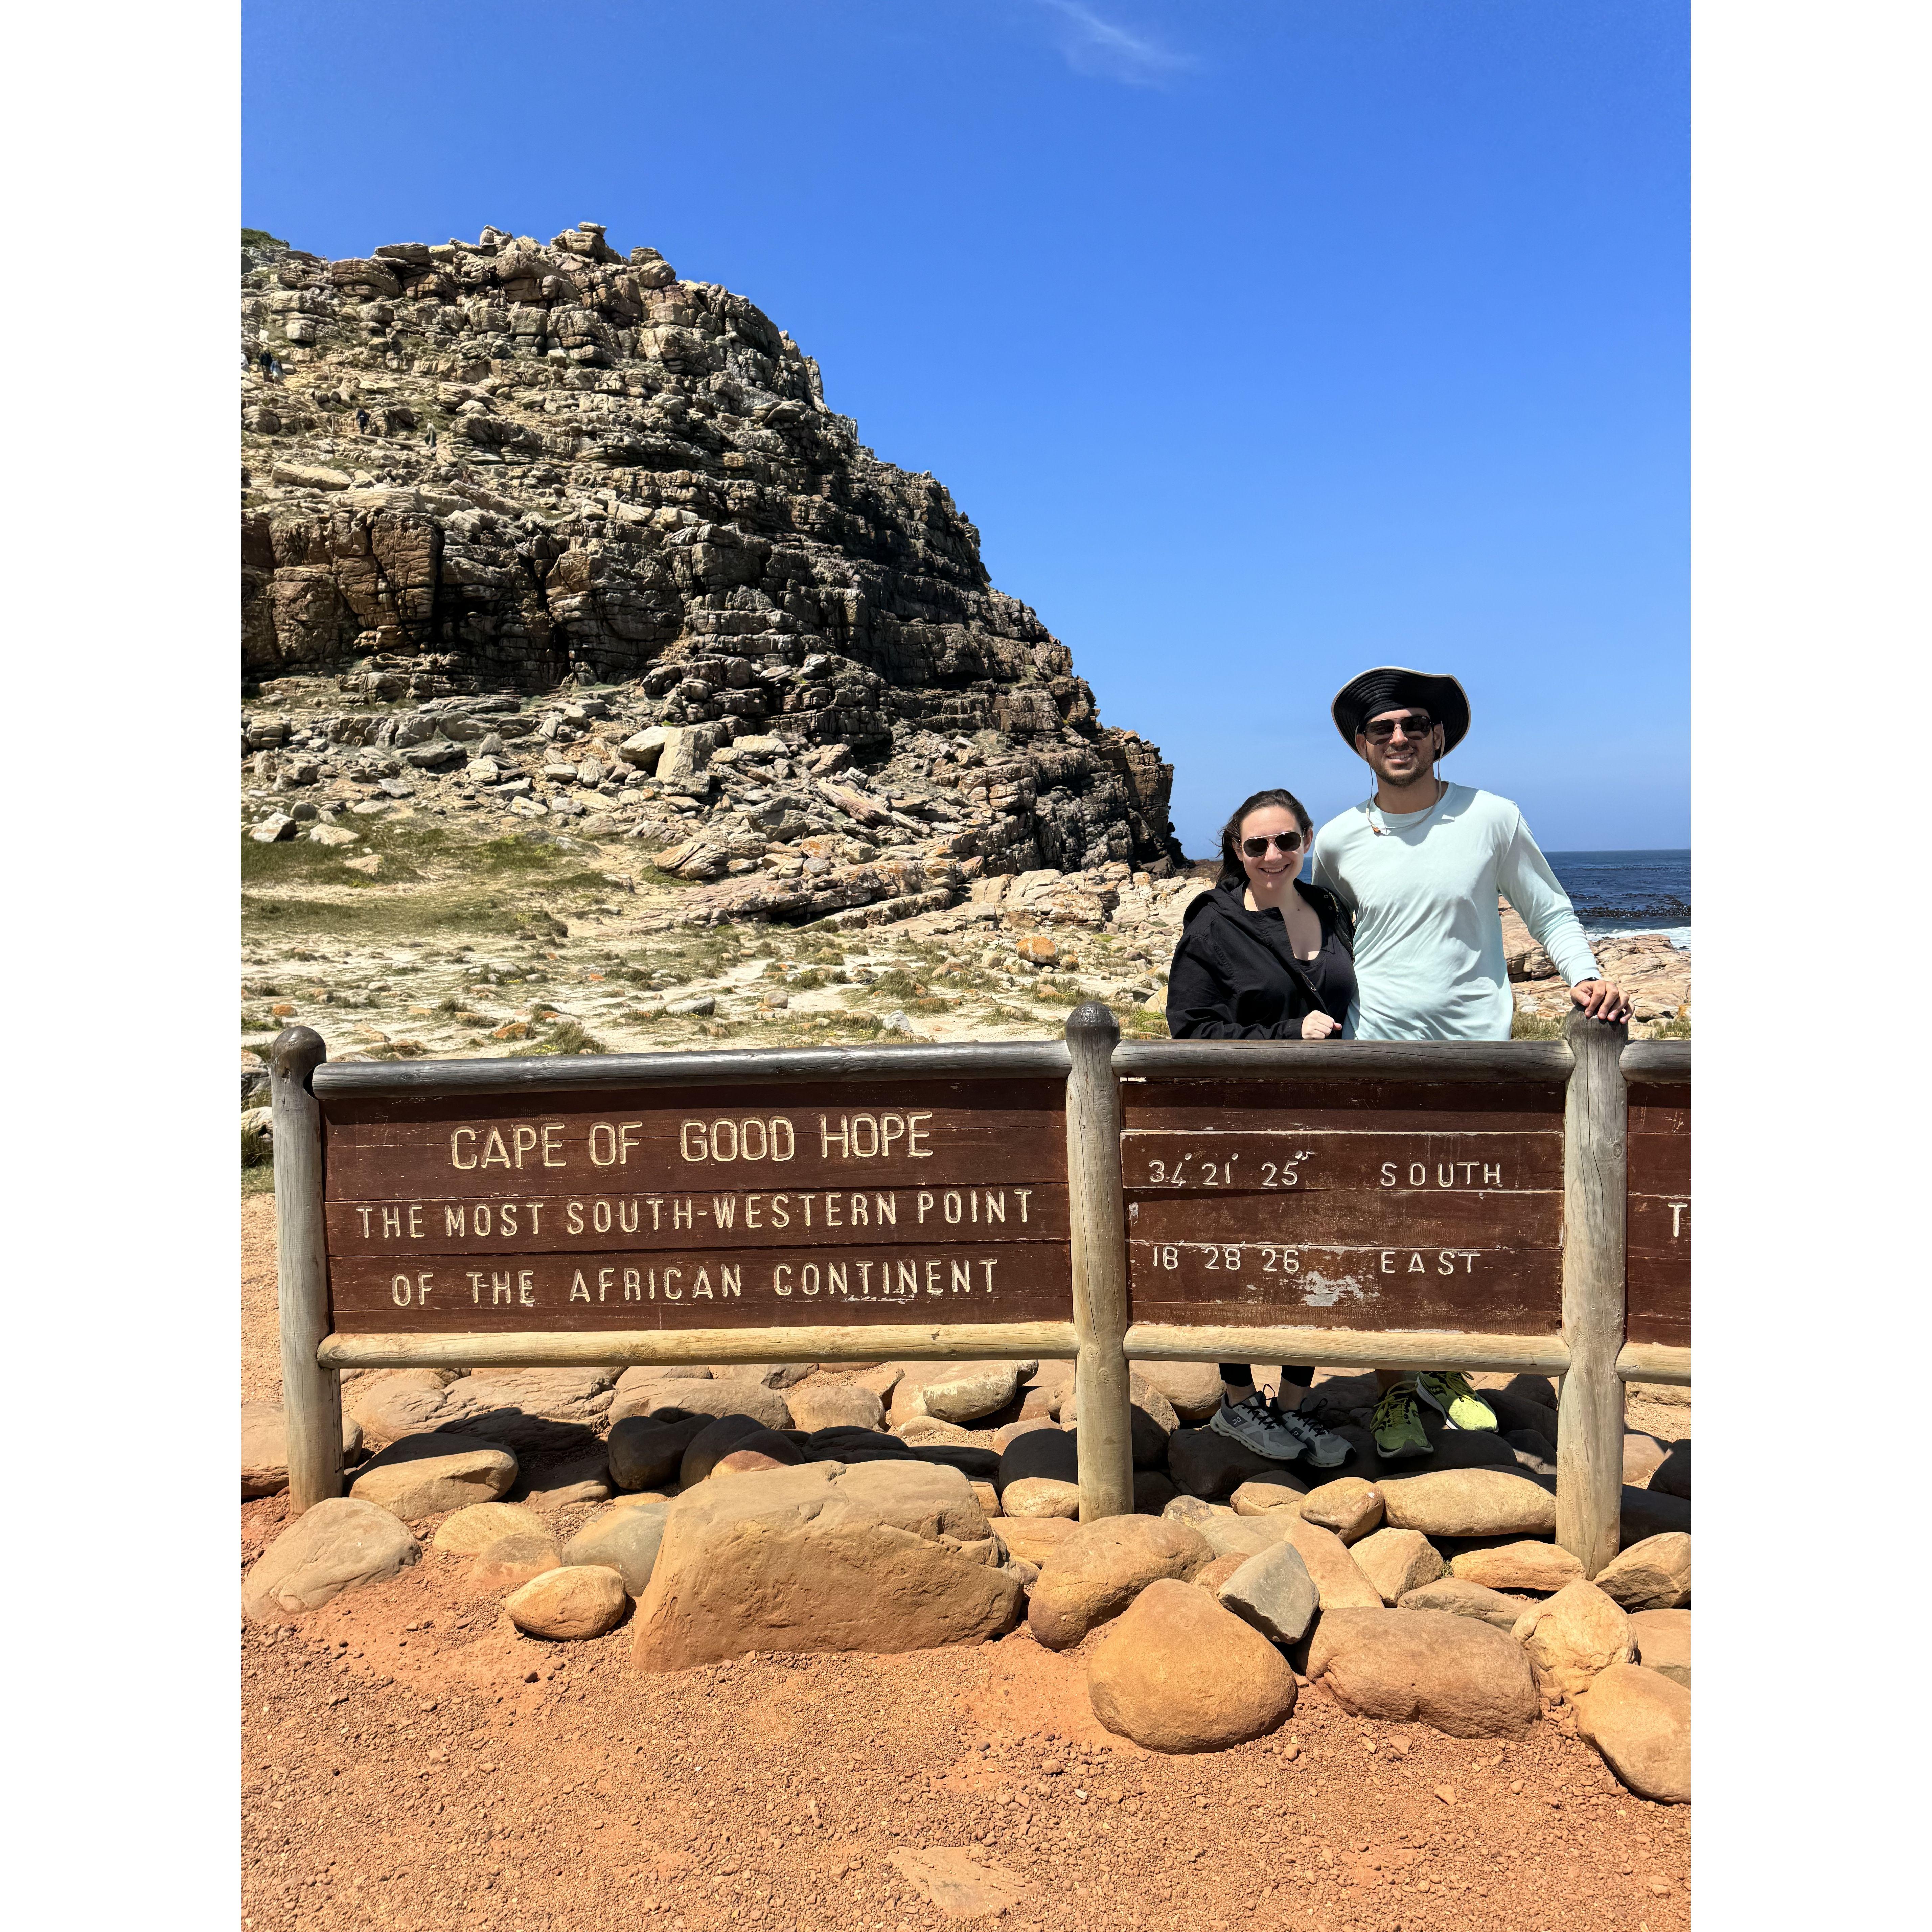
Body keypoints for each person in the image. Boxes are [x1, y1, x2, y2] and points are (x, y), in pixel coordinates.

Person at [1313, 665, 1632, 1457]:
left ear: (1439, 736)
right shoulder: (1339, 838)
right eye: (1382, 729)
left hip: (1478, 1059)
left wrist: (1585, 975)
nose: (1399, 738)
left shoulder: (1493, 817)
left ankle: (1444, 1366)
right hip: (1376, 1057)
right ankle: (1395, 1389)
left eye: (1413, 725)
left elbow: (1547, 907)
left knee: (1465, 1219)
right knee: (1385, 1226)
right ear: (1361, 745)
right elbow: (1323, 940)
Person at [1163, 787, 1353, 1469]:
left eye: (1286, 841)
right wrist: (1286, 1033)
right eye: (1257, 845)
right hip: (1244, 1119)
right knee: (1242, 1262)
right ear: (1236, 852)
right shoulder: (1213, 925)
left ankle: (1294, 1406)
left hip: (1326, 1116)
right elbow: (1189, 1029)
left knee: (1319, 1260)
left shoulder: (1329, 909)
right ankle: (1238, 1401)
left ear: (1306, 841)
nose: (1273, 855)